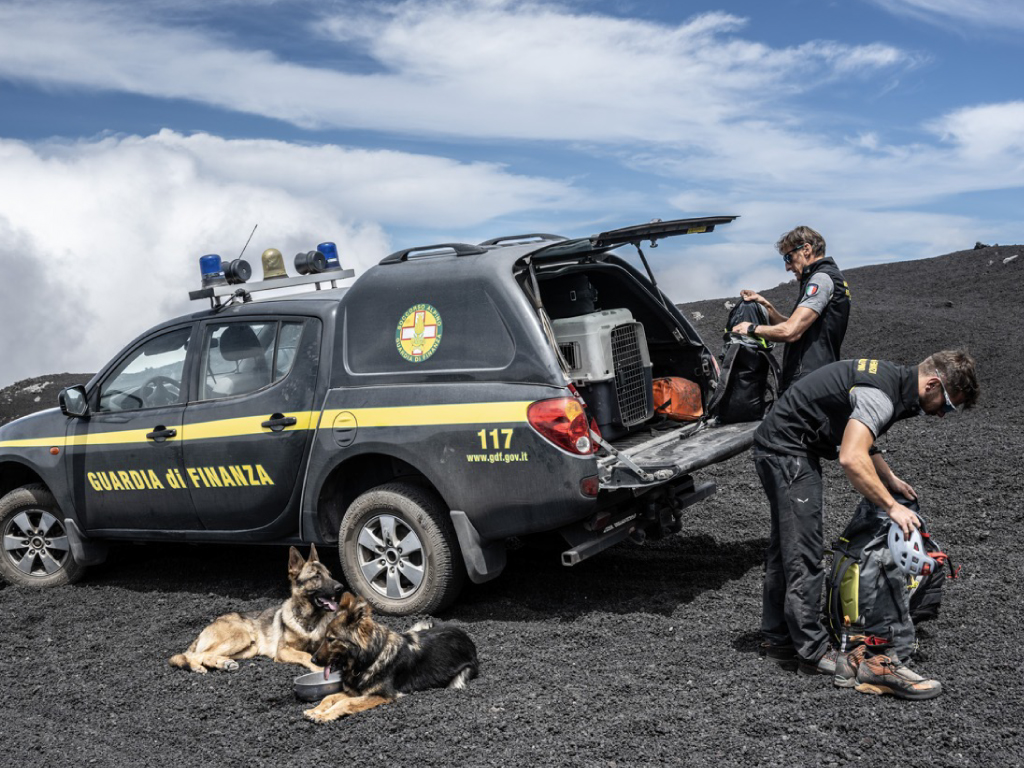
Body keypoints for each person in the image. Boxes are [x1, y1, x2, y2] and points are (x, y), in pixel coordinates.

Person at [752, 350, 978, 691]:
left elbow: (859, 432)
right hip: (787, 448)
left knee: (786, 545)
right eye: (946, 404)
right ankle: (811, 653)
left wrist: (889, 478)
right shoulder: (882, 396)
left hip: (787, 442)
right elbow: (851, 456)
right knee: (804, 550)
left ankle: (777, 639)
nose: (943, 414)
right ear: (932, 384)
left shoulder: (890, 381)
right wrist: (892, 506)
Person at [732, 226, 850, 392]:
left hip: (809, 381)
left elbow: (791, 331)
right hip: (818, 378)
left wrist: (750, 329)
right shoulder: (827, 277)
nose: (787, 267)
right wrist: (766, 306)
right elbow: (798, 327)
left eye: (789, 257)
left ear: (806, 249)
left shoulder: (821, 279)